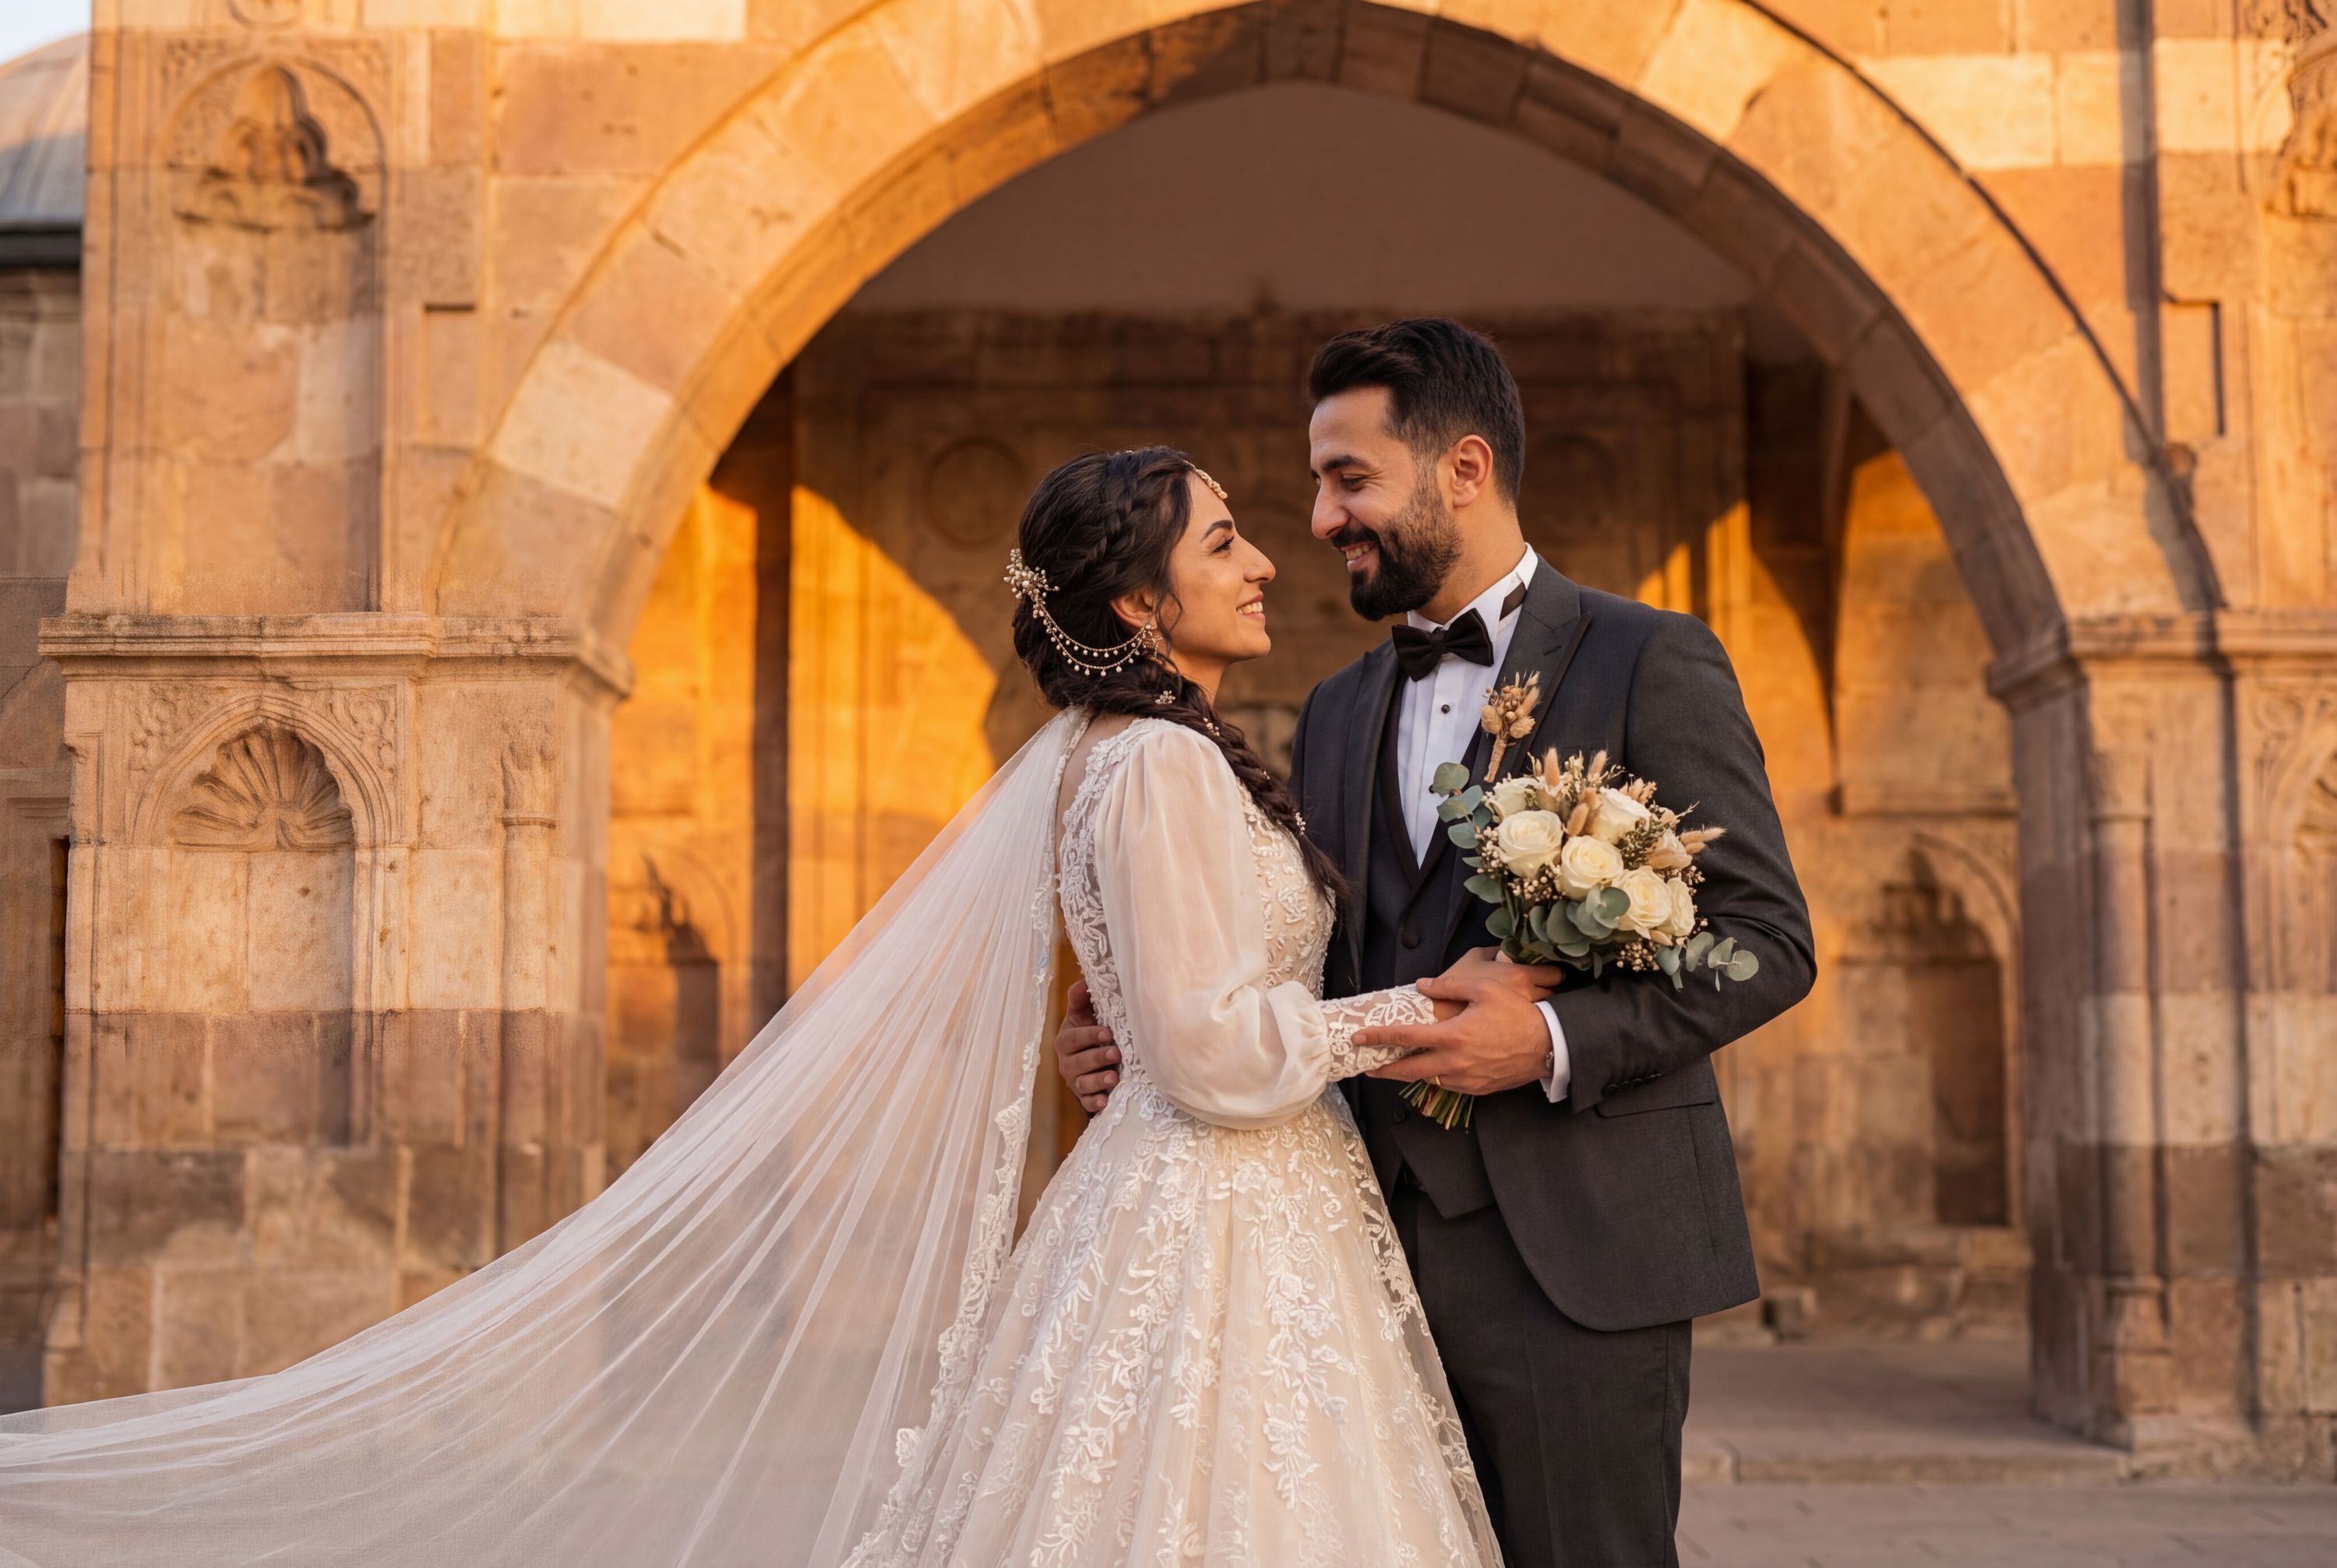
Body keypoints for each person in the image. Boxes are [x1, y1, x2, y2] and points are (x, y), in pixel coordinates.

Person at [0, 445, 1524, 1567]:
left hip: (1222, 1203)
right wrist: (1412, 1009)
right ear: (1139, 596)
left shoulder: (1104, 758)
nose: (1261, 561)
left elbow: (1159, 1013)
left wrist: (1128, 1032)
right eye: (1224, 538)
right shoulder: (1162, 762)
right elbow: (1202, 1051)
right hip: (1218, 1210)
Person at [1057, 319, 1817, 1568]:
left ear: (1463, 469)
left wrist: (1556, 1035)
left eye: (1348, 478)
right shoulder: (1338, 707)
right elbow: (1305, 963)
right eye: (1315, 483)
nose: (1318, 519)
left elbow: (1765, 937)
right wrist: (1139, 1033)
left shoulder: (1650, 658)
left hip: (1579, 1254)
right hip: (1348, 1262)